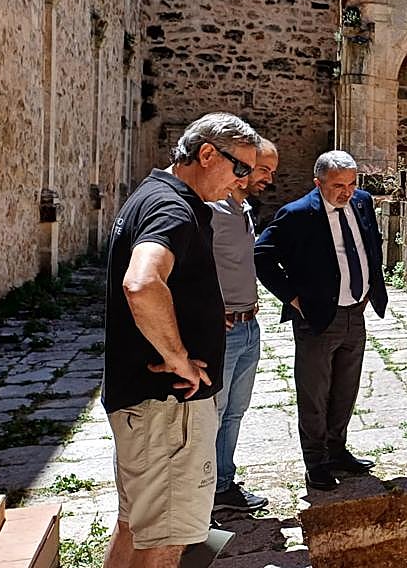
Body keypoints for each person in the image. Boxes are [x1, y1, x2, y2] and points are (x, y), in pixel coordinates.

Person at [103, 113, 260, 568]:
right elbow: (143, 282)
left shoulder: (151, 194)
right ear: (207, 154)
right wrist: (179, 358)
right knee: (167, 540)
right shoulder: (174, 208)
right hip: (168, 410)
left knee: (135, 526)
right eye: (240, 168)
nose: (243, 182)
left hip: (143, 405)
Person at [254, 150, 388, 492]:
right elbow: (262, 255)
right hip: (316, 317)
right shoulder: (298, 214)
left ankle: (337, 450)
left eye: (352, 183)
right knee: (314, 394)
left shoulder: (362, 202)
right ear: (318, 183)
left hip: (355, 312)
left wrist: (372, 286)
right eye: (338, 185)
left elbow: (371, 244)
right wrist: (292, 297)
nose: (346, 191)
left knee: (346, 389)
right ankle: (315, 463)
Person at [208, 137, 279, 513]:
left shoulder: (243, 207)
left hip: (249, 324)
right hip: (224, 329)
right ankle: (203, 493)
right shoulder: (211, 209)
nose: (268, 177)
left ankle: (223, 483)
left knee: (235, 411)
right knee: (212, 414)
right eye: (263, 169)